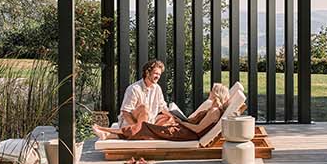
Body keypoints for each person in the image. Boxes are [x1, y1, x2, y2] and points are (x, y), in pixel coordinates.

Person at [93, 83, 242, 142]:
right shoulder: (212, 108)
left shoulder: (214, 112)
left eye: (211, 90)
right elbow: (195, 123)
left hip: (185, 133)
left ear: (215, 94)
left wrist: (180, 122)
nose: (209, 92)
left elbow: (197, 130)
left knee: (146, 127)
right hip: (184, 128)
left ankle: (107, 132)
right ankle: (108, 133)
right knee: (159, 120)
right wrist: (178, 118)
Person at [119, 60, 172, 127]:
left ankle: (150, 130)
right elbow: (125, 112)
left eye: (159, 74)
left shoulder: (157, 88)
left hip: (149, 123)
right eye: (156, 73)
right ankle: (141, 131)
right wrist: (136, 127)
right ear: (147, 72)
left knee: (167, 117)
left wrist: (174, 118)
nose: (158, 77)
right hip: (131, 124)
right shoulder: (134, 88)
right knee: (143, 108)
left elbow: (163, 108)